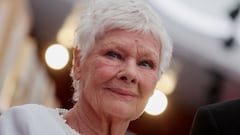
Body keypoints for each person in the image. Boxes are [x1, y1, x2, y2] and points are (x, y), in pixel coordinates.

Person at [0, 0, 173, 134]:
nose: (130, 73)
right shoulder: (28, 124)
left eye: (145, 63)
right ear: (78, 62)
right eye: (114, 54)